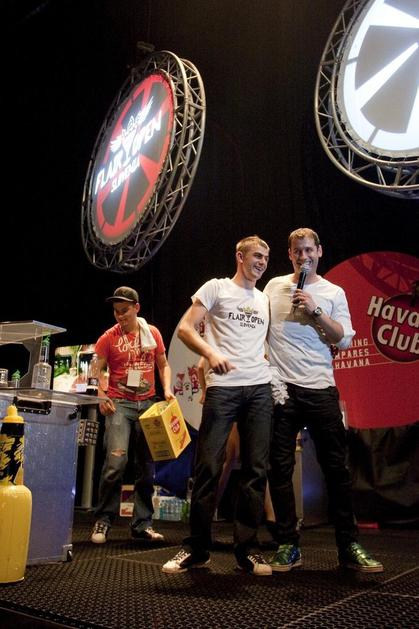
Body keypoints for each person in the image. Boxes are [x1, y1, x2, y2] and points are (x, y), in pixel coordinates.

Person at [264, 227, 384, 573]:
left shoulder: (333, 292)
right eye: (297, 251)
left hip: (320, 388)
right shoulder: (273, 287)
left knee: (336, 470)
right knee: (279, 469)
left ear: (319, 251)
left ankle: (348, 545)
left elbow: (342, 339)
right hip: (282, 390)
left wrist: (316, 311)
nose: (303, 256)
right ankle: (288, 543)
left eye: (308, 250)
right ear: (290, 255)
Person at [162, 235, 273, 576]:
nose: (262, 262)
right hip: (223, 388)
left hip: (259, 389)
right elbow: (186, 329)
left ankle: (248, 551)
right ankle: (197, 549)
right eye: (256, 255)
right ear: (240, 255)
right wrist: (210, 354)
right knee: (208, 466)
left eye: (266, 257)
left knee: (255, 470)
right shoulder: (216, 288)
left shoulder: (264, 299)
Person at [91, 286, 175, 544]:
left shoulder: (153, 333)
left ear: (136, 308)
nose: (120, 316)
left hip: (148, 404)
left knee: (146, 468)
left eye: (125, 311)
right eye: (116, 311)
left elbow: (163, 364)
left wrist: (168, 389)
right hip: (120, 404)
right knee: (115, 463)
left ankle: (142, 524)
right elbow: (96, 369)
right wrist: (102, 394)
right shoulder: (108, 337)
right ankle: (103, 519)